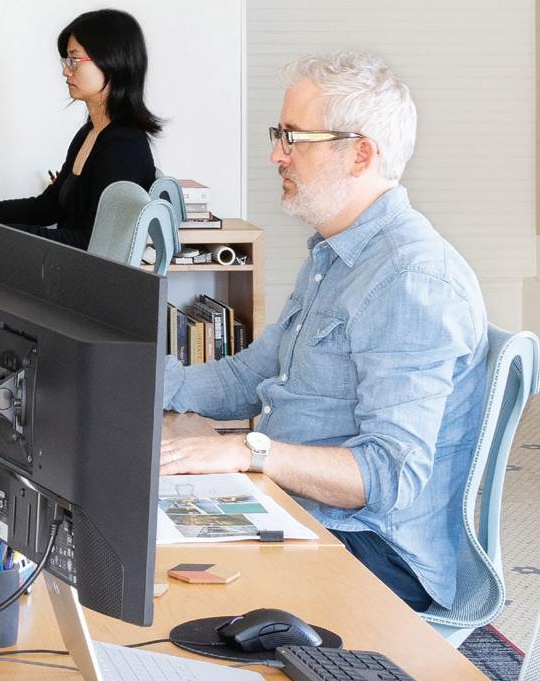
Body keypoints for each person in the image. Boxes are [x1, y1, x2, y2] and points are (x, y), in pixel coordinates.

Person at [159, 53, 487, 614]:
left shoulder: (411, 280)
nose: (276, 155)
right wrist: (132, 384)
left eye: (293, 138)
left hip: (373, 549)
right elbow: (249, 375)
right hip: (297, 505)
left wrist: (246, 452)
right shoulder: (334, 253)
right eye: (278, 135)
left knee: (153, 566)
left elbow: (389, 475)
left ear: (360, 154)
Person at [0, 9, 161, 252]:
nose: (66, 70)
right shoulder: (90, 133)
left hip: (81, 270)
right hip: (65, 264)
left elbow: (91, 244)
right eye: (66, 61)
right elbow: (46, 208)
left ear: (112, 63)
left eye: (74, 60)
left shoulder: (123, 147)